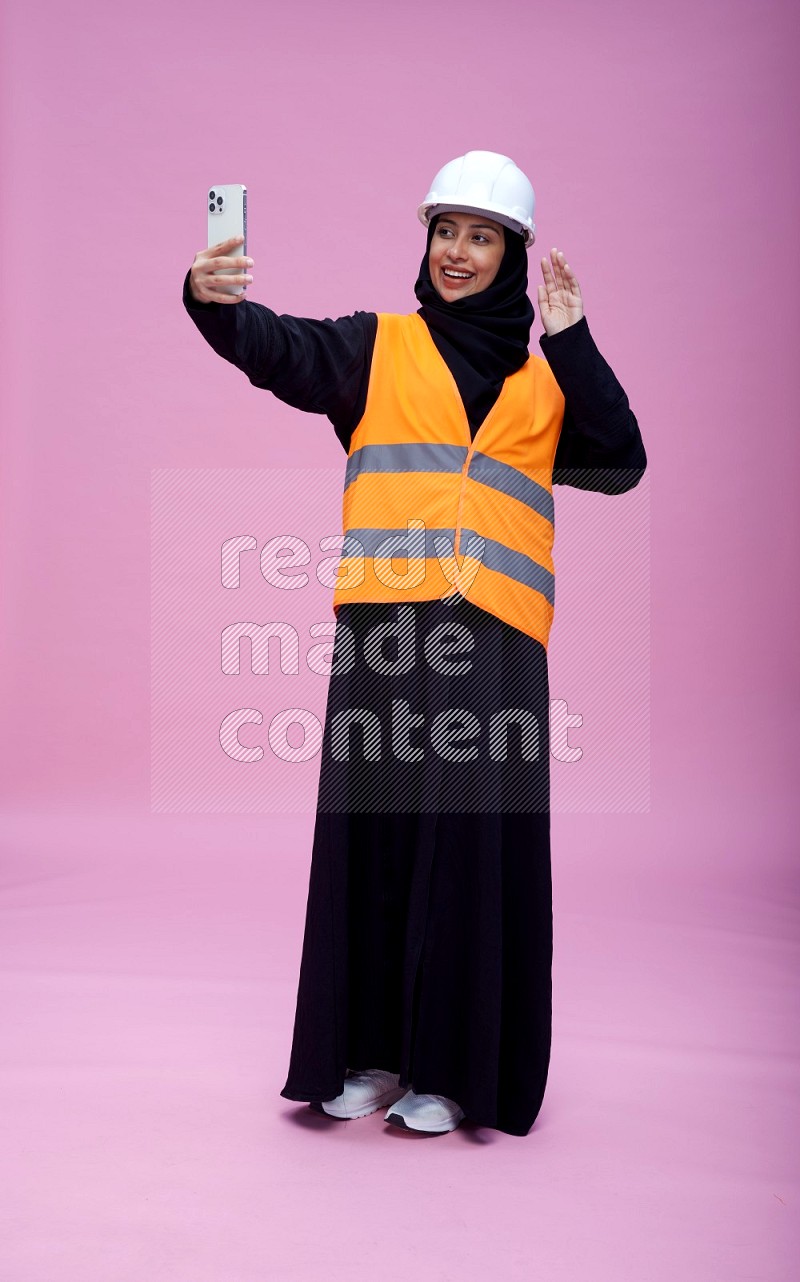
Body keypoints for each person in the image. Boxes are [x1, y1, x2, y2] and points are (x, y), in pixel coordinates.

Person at [183, 151, 647, 1137]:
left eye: (481, 236)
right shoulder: (373, 348)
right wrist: (210, 302)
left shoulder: (544, 381)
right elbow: (277, 347)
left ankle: (451, 1072)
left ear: (511, 254)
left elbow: (617, 462)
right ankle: (368, 1056)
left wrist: (571, 343)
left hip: (499, 648)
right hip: (385, 640)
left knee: (473, 851)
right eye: (445, 231)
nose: (457, 252)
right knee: (376, 840)